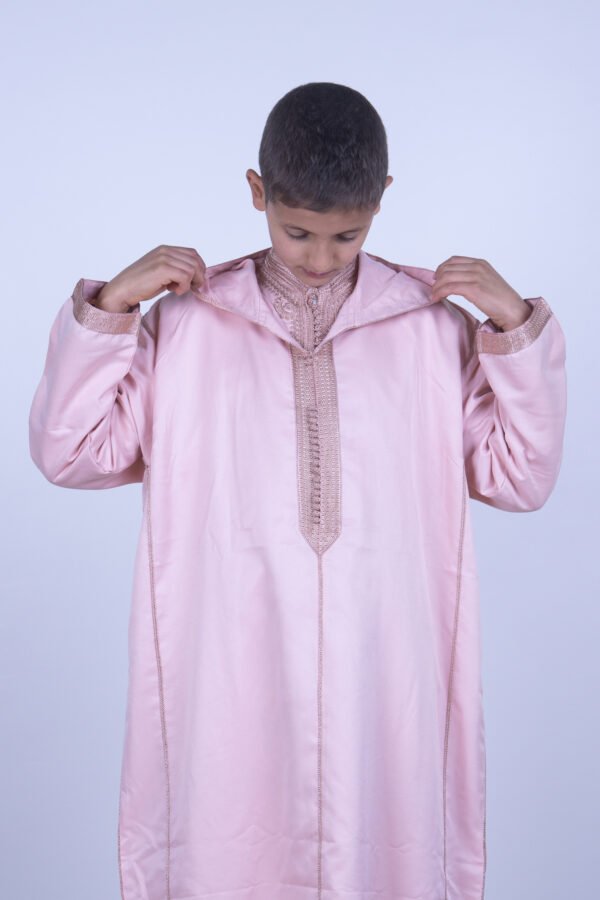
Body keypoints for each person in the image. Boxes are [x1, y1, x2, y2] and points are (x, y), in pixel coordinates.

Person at [29, 82, 567, 900]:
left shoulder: (430, 328)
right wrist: (111, 308)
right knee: (222, 846)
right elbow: (69, 451)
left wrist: (516, 328)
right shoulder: (188, 325)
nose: (319, 257)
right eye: (298, 231)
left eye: (347, 235)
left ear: (383, 200)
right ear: (258, 193)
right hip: (227, 656)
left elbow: (520, 475)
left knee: (383, 847)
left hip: (386, 663)